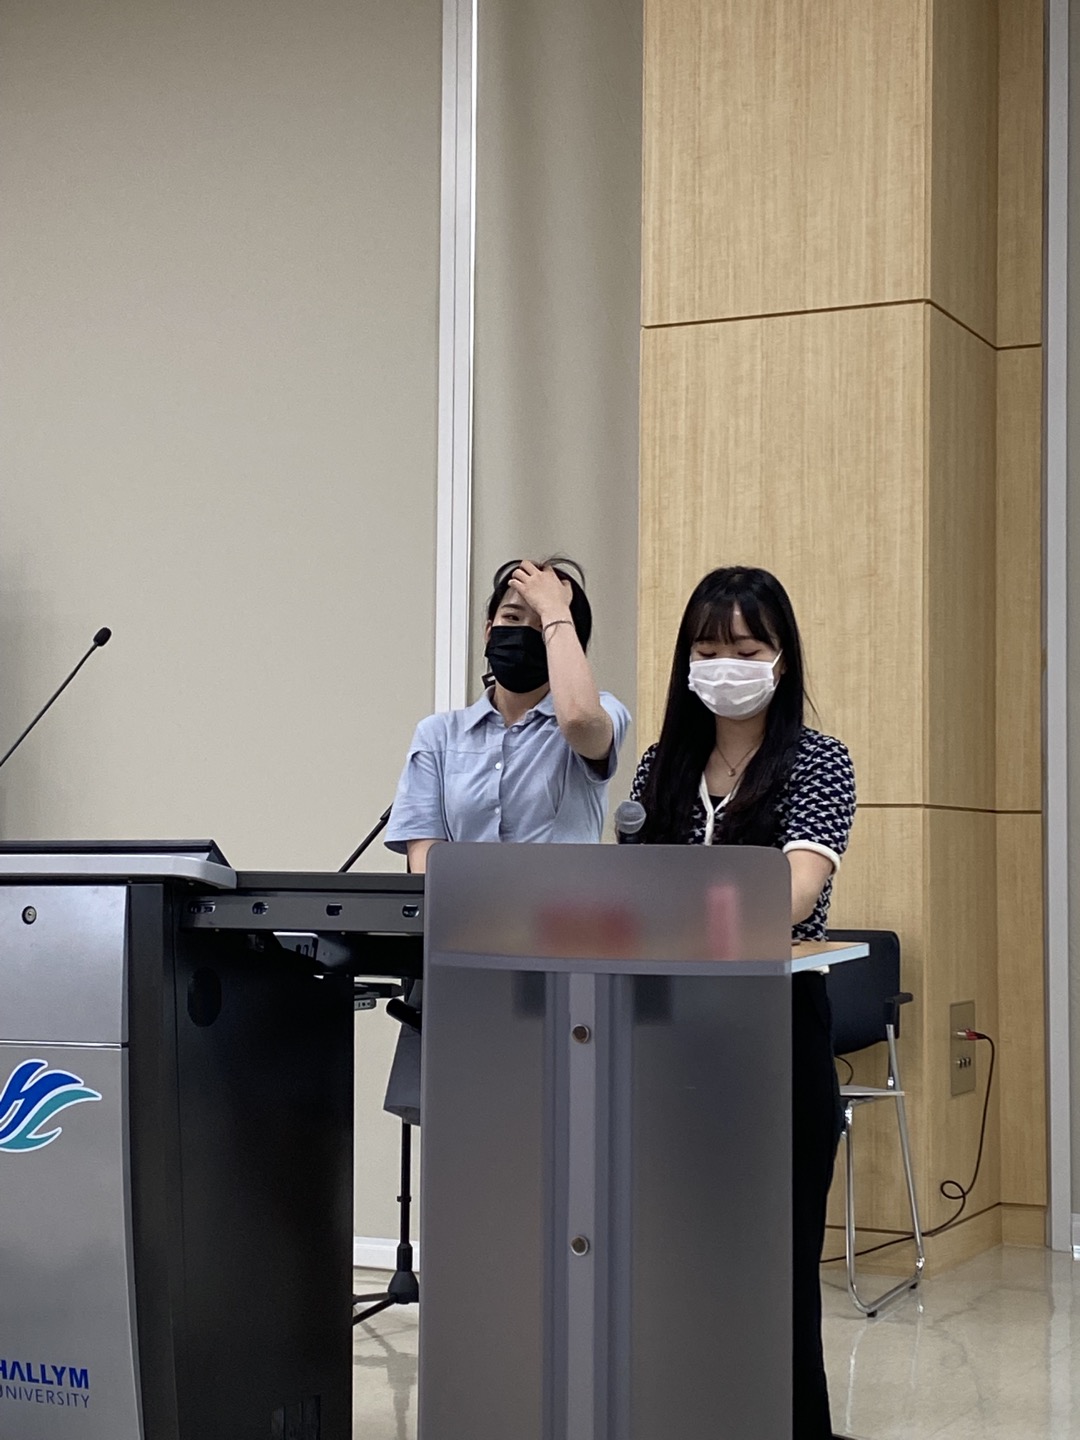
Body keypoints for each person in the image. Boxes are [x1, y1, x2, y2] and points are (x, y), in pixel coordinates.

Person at [629, 565, 856, 1440]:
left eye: (748, 648)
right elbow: (630, 897)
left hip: (774, 1035)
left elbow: (791, 894)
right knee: (675, 1254)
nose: (727, 664)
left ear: (782, 659)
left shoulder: (818, 761)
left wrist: (679, 905)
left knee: (776, 1260)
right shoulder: (662, 766)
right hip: (665, 1033)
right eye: (708, 647)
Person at [382, 556, 632, 1119]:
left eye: (541, 622)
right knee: (464, 1137)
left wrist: (555, 610)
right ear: (488, 629)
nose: (523, 631)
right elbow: (426, 861)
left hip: (564, 959)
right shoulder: (439, 735)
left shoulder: (600, 715)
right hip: (462, 958)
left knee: (564, 1124)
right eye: (511, 617)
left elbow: (580, 722)